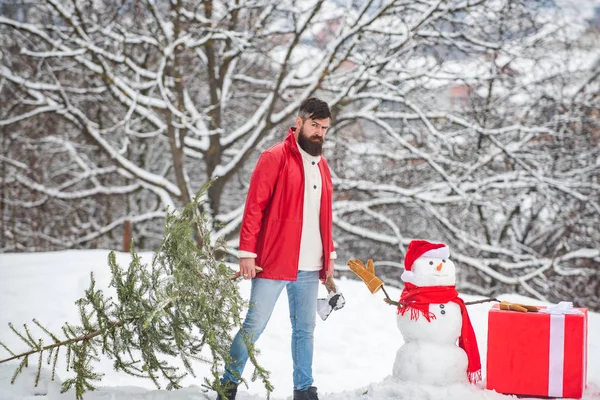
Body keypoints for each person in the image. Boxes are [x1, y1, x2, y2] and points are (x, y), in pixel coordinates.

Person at [217, 97, 336, 400]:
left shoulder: (322, 167)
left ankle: (304, 389)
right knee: (254, 326)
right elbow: (254, 207)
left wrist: (329, 259)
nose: (319, 132)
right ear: (299, 122)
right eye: (314, 125)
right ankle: (227, 385)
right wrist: (247, 253)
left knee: (305, 331)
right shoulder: (274, 157)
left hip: (310, 266)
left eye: (324, 128)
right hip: (273, 262)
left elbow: (324, 216)